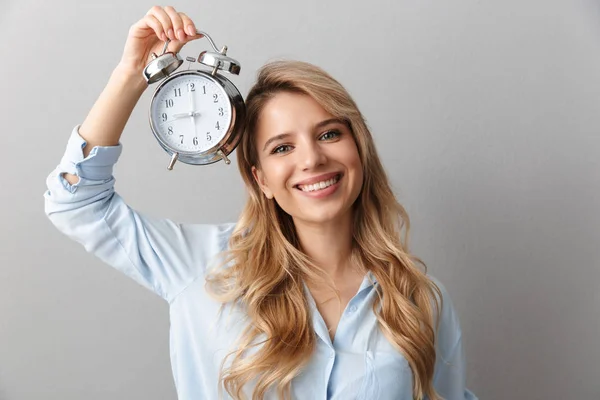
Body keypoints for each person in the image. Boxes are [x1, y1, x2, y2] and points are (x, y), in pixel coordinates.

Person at [44, 5, 478, 400]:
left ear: (359, 150)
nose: (312, 159)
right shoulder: (200, 266)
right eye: (281, 148)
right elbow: (75, 202)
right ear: (260, 179)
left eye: (329, 134)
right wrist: (130, 75)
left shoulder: (418, 300)